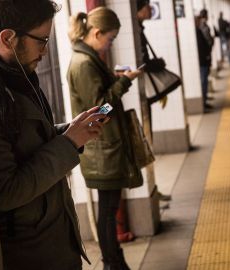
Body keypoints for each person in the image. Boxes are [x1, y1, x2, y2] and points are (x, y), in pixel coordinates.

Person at [0, 0, 108, 269]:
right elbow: (7, 191)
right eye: (42, 41)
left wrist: (70, 131)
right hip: (33, 250)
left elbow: (29, 142)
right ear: (8, 38)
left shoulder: (17, 78)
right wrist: (69, 142)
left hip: (52, 235)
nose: (45, 51)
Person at [67, 7, 143, 270]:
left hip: (104, 148)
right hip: (102, 151)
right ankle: (113, 263)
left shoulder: (89, 60)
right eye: (109, 39)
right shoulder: (84, 64)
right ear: (97, 33)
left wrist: (118, 79)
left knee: (108, 210)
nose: (110, 44)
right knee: (108, 213)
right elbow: (100, 110)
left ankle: (115, 261)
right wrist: (124, 82)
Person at [136, 0, 172, 201]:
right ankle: (150, 189)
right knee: (146, 141)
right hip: (139, 99)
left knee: (148, 140)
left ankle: (152, 186)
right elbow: (141, 65)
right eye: (148, 6)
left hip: (143, 97)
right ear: (140, 10)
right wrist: (156, 64)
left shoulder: (138, 30)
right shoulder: (135, 32)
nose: (151, 9)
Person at [196, 9, 214, 110]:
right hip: (203, 60)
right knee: (203, 80)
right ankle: (203, 102)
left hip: (204, 59)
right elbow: (207, 42)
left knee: (204, 80)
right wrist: (207, 54)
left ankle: (204, 100)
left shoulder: (200, 28)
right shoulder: (202, 28)